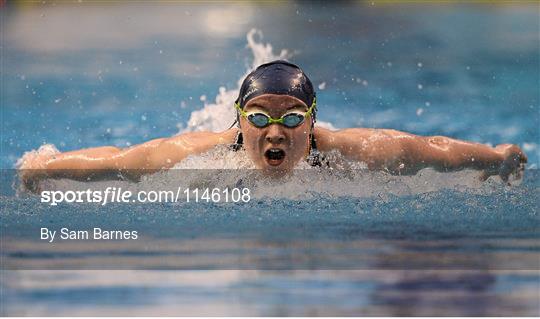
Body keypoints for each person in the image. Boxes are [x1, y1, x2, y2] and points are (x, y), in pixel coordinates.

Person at [19, 60, 526, 189]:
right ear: (240, 121)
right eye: (260, 118)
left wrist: (497, 155)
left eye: (291, 118)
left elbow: (427, 148)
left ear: (312, 123)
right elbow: (121, 161)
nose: (276, 131)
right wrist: (43, 166)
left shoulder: (355, 150)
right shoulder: (202, 154)